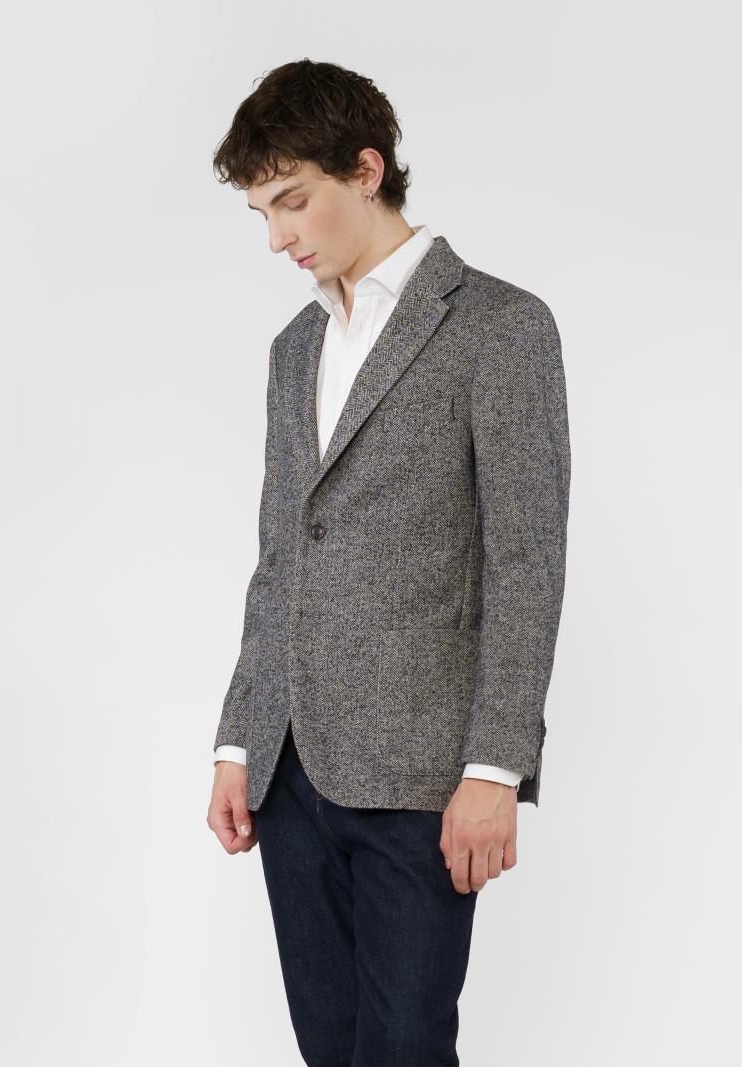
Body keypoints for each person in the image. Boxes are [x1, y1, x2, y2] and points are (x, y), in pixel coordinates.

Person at [206, 58, 570, 1067]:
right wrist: (238, 738)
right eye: (261, 213)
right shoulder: (293, 348)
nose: (276, 236)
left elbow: (527, 561)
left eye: (292, 200)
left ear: (365, 170)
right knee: (329, 1046)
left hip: (420, 776)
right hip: (289, 773)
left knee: (405, 1048)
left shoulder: (499, 327)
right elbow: (280, 555)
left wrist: (494, 768)